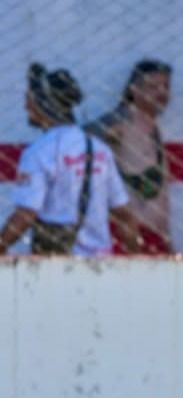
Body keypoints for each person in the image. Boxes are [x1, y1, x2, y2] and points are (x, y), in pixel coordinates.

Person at [0, 64, 138, 256]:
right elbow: (124, 214)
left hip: (58, 260)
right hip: (101, 259)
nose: (26, 107)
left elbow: (26, 213)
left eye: (29, 100)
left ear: (43, 103)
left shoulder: (39, 152)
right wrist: (136, 258)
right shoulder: (98, 149)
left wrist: (2, 245)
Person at [86, 59, 173, 255]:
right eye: (153, 87)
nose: (162, 92)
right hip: (128, 236)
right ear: (134, 89)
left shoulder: (153, 128)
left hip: (156, 236)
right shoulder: (122, 121)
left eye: (166, 86)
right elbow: (82, 138)